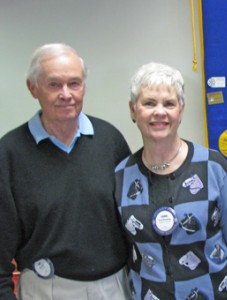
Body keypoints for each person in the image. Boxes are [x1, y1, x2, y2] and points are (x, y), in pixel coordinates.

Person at [0, 44, 132, 299]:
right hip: (46, 287)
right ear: (32, 87)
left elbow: (131, 219)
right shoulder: (9, 153)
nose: (66, 94)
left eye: (74, 83)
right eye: (53, 85)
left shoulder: (110, 140)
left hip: (113, 286)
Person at [114, 62, 227, 300]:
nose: (159, 112)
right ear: (133, 110)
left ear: (181, 110)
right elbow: (123, 252)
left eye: (169, 103)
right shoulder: (122, 176)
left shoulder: (214, 167)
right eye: (149, 103)